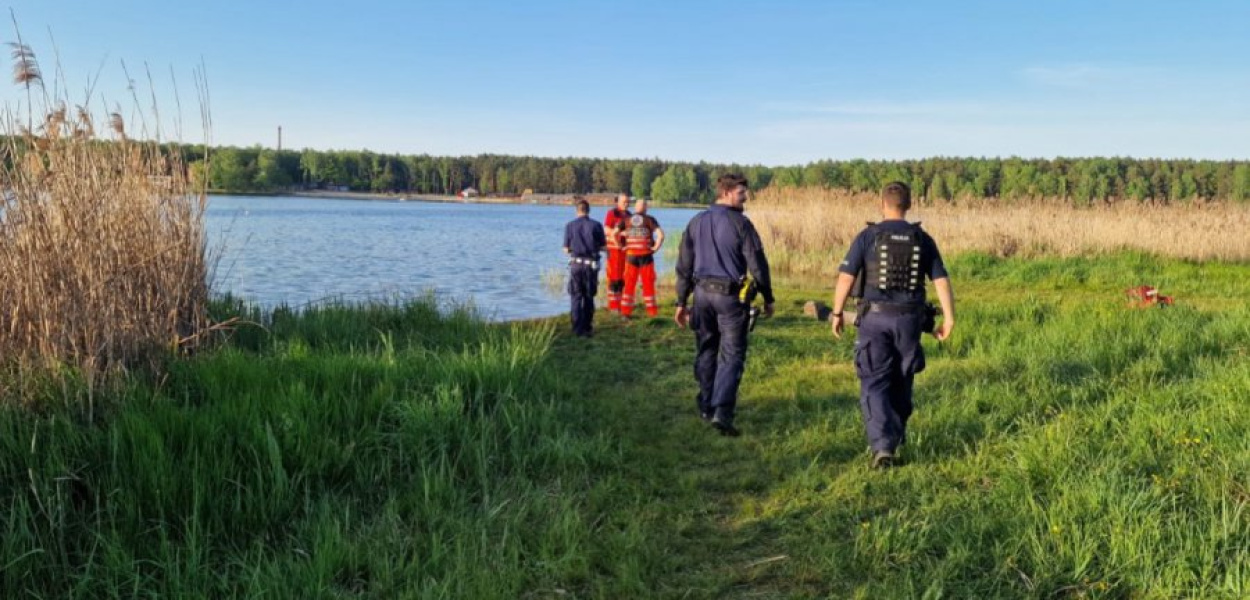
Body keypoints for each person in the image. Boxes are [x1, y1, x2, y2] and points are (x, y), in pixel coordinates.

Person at [830, 181, 956, 468]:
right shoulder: (922, 239)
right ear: (909, 204)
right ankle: (893, 438)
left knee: (874, 381)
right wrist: (949, 317)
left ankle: (883, 446)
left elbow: (846, 278)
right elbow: (940, 280)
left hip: (874, 319)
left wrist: (837, 312)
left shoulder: (868, 236)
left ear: (882, 204)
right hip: (910, 321)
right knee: (902, 379)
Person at [674, 174, 774, 436]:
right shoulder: (741, 224)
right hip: (729, 298)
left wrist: (681, 301)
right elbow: (757, 264)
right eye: (742, 193)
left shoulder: (696, 222)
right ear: (727, 193)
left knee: (706, 349)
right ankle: (722, 412)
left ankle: (706, 405)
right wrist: (768, 297)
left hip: (701, 296)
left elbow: (683, 265)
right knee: (731, 355)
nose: (745, 197)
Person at [563, 198, 607, 337]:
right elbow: (603, 246)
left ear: (577, 210)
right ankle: (587, 328)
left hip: (575, 265)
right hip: (590, 266)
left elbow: (565, 249)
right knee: (588, 296)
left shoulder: (569, 225)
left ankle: (576, 328)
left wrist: (574, 249)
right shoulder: (596, 225)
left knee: (576, 296)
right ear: (589, 210)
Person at [620, 198, 665, 318]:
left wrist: (621, 246)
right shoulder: (650, 220)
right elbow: (661, 235)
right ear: (645, 207)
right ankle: (651, 312)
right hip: (646, 256)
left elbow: (614, 233)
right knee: (648, 284)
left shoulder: (627, 220)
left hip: (631, 256)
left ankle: (625, 312)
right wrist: (655, 248)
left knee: (629, 284)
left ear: (635, 207)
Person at [602, 194, 632, 313]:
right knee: (613, 277)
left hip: (625, 250)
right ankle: (613, 306)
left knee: (624, 278)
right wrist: (621, 234)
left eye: (628, 202)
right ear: (618, 202)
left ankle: (621, 304)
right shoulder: (612, 213)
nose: (626, 204)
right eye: (624, 202)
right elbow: (606, 229)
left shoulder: (630, 215)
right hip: (613, 250)